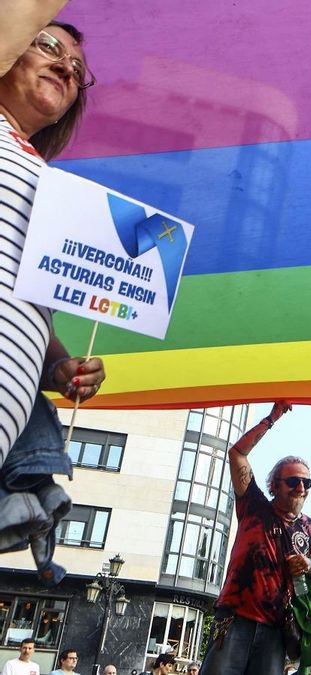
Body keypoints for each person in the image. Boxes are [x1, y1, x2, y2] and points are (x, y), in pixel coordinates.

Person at [0, 0, 107, 586]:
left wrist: (60, 363)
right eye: (47, 46)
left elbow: (24, 304)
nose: (67, 67)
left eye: (77, 67)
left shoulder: (43, 178)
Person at [199, 402, 311, 675]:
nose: (300, 488)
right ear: (274, 485)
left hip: (276, 628)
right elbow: (237, 453)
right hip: (234, 619)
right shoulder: (254, 506)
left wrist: (308, 566)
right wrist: (272, 418)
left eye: (306, 483)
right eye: (293, 481)